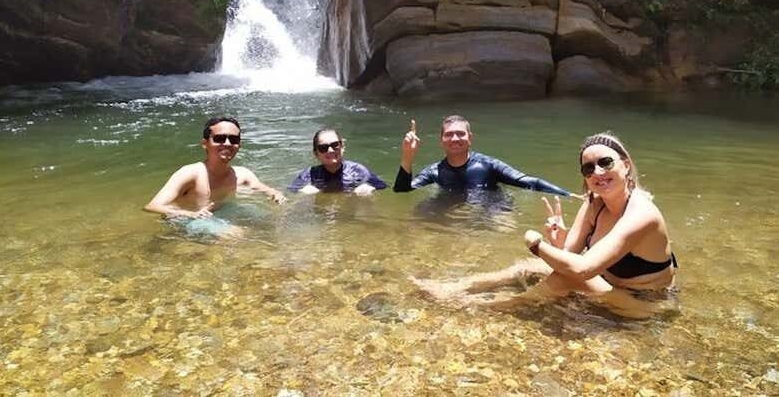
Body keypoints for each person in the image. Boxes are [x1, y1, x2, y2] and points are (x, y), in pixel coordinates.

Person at [412, 132, 677, 315]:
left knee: (563, 279)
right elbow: (568, 255)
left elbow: (581, 269)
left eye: (605, 163)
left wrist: (537, 245)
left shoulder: (642, 214)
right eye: (588, 168)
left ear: (626, 165)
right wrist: (558, 242)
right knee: (528, 267)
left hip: (644, 304)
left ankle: (485, 306)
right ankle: (458, 287)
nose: (597, 172)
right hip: (609, 285)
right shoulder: (594, 202)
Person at [144, 116, 286, 221]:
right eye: (219, 139)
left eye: (234, 139)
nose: (227, 143)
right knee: (233, 234)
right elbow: (152, 206)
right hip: (188, 219)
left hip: (220, 212)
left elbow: (267, 190)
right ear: (204, 143)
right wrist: (190, 214)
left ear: (239, 145)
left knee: (269, 220)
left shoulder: (243, 175)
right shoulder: (191, 173)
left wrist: (276, 195)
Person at [393, 115, 571, 197]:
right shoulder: (434, 172)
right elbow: (402, 191)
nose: (455, 139)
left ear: (470, 138)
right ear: (442, 140)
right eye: (449, 135)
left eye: (460, 134)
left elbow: (529, 182)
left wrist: (569, 195)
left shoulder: (488, 165)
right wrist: (408, 156)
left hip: (493, 207)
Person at [289, 128, 387, 195]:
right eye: (323, 148)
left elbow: (384, 188)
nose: (330, 150)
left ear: (342, 147)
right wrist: (302, 193)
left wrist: (370, 189)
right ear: (316, 153)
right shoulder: (309, 174)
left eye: (335, 145)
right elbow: (290, 194)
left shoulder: (358, 171)